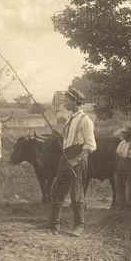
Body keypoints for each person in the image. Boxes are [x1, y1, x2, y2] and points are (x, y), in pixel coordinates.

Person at [50, 87, 96, 237]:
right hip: (66, 156)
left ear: (75, 102)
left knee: (76, 192)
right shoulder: (70, 119)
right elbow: (68, 140)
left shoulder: (85, 120)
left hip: (78, 157)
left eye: (68, 100)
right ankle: (54, 224)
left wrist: (75, 160)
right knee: (58, 189)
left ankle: (79, 226)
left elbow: (91, 145)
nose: (65, 102)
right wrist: (59, 138)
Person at [114, 126, 131, 209]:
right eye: (123, 133)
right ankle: (122, 204)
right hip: (120, 167)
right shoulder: (121, 143)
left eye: (126, 134)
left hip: (130, 168)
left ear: (130, 135)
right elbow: (117, 154)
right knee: (120, 186)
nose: (124, 135)